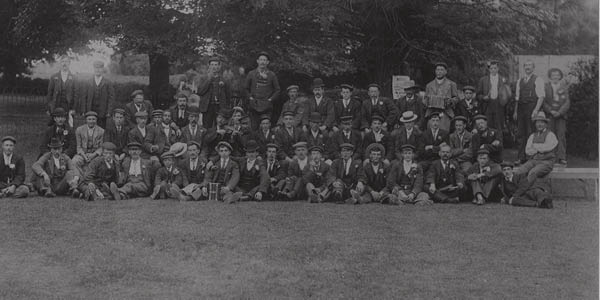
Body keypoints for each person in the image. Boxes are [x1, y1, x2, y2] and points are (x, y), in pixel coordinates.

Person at [514, 60, 546, 163]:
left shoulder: (538, 79)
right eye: (526, 65)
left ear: (533, 67)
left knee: (531, 132)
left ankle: (531, 157)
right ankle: (520, 157)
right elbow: (517, 98)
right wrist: (515, 111)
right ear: (524, 67)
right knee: (520, 133)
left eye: (530, 65)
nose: (528, 67)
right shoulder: (520, 80)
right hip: (521, 108)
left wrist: (536, 110)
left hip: (531, 107)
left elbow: (541, 97)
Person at [519, 111, 557, 186]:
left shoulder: (550, 135)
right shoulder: (532, 136)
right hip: (534, 161)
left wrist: (535, 146)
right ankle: (515, 191)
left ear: (546, 124)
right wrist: (541, 148)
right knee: (520, 171)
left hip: (546, 162)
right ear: (535, 124)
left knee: (532, 173)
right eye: (537, 122)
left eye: (542, 122)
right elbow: (528, 151)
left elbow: (547, 148)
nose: (539, 124)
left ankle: (524, 192)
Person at [246, 52, 281, 129]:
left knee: (265, 127)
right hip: (254, 105)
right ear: (257, 61)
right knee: (254, 127)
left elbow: (277, 90)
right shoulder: (251, 74)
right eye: (261, 60)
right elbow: (246, 89)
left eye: (264, 60)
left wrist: (270, 99)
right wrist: (250, 98)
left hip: (266, 106)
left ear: (267, 62)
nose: (262, 62)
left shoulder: (272, 75)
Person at [543, 68, 570, 166]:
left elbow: (567, 102)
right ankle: (551, 157)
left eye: (557, 75)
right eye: (553, 75)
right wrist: (550, 110)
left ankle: (561, 158)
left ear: (560, 76)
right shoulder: (546, 87)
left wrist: (560, 112)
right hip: (550, 115)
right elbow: (544, 101)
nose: (555, 77)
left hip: (561, 116)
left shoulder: (564, 88)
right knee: (550, 136)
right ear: (550, 76)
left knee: (561, 136)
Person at [198, 56, 232, 128]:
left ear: (219, 66)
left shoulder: (224, 79)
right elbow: (200, 92)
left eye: (216, 65)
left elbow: (228, 95)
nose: (214, 67)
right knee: (207, 127)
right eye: (212, 65)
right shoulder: (203, 78)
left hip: (220, 107)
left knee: (220, 126)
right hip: (207, 107)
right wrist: (209, 79)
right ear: (209, 66)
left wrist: (226, 108)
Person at [477, 60, 511, 132]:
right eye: (491, 68)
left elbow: (508, 94)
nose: (493, 70)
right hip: (488, 105)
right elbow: (478, 95)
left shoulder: (503, 80)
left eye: (495, 68)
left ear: (498, 69)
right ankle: (488, 143)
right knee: (488, 126)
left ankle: (499, 142)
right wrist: (483, 97)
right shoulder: (483, 80)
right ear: (489, 69)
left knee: (499, 126)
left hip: (499, 105)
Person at [424, 62, 459, 131]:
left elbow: (456, 98)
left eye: (441, 70)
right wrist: (427, 101)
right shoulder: (429, 85)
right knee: (431, 133)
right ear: (435, 71)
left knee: (443, 132)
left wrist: (451, 101)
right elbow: (425, 98)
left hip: (445, 112)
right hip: (432, 112)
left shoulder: (452, 84)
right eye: (437, 70)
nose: (439, 72)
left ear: (446, 72)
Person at [80, 60, 115, 128]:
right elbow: (84, 97)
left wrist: (109, 111)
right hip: (90, 109)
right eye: (96, 68)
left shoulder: (108, 82)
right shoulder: (88, 82)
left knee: (101, 128)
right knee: (90, 127)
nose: (98, 70)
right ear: (93, 69)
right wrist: (84, 110)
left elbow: (111, 98)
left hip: (102, 110)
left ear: (102, 69)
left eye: (100, 68)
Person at [46, 55, 75, 119]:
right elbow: (49, 93)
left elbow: (76, 94)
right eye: (62, 61)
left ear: (69, 63)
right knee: (55, 123)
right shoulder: (54, 77)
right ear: (60, 63)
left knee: (68, 125)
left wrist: (74, 108)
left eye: (66, 61)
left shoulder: (74, 78)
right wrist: (48, 108)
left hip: (68, 105)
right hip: (56, 104)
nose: (64, 63)